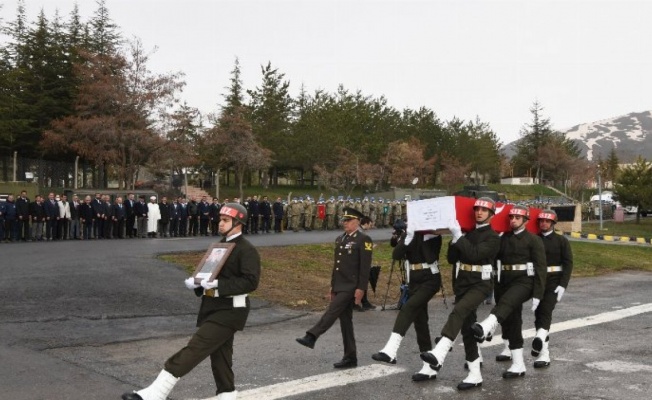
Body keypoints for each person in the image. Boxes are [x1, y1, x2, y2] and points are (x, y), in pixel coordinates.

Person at [121, 203, 260, 400]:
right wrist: (198, 284)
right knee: (220, 357)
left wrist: (216, 285)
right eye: (220, 219)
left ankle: (155, 394)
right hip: (213, 307)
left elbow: (250, 281)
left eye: (225, 220)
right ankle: (227, 394)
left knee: (195, 347)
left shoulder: (246, 249)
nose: (220, 223)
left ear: (238, 224)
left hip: (230, 311)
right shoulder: (221, 245)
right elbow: (209, 274)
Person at [420, 197, 500, 390]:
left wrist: (459, 237)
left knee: (459, 311)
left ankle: (440, 350)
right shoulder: (467, 234)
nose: (479, 213)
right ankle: (474, 374)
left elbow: (474, 255)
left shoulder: (493, 237)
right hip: (463, 282)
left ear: (491, 214)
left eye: (484, 210)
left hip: (481, 283)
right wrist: (455, 238)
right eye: (477, 209)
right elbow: (451, 259)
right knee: (467, 329)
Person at [471, 205, 546, 380]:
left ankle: (487, 325)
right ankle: (518, 364)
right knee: (512, 322)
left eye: (517, 218)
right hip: (504, 281)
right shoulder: (502, 238)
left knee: (507, 304)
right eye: (511, 217)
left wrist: (538, 294)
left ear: (525, 220)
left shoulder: (534, 240)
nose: (513, 220)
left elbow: (541, 268)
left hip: (525, 281)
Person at [295, 207, 373, 369]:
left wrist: (361, 289)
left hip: (351, 286)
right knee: (346, 322)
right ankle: (350, 357)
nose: (345, 223)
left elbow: (365, 268)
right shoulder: (340, 239)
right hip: (339, 284)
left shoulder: (363, 240)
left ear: (357, 222)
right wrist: (332, 286)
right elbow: (337, 266)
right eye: (344, 221)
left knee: (332, 310)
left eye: (349, 221)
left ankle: (312, 336)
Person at [372, 219, 443, 382]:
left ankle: (391, 350)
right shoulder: (408, 234)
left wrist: (423, 236)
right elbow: (396, 255)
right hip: (414, 281)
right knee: (421, 323)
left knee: (408, 308)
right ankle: (429, 367)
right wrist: (408, 237)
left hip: (429, 278)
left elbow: (430, 257)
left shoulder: (433, 234)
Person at [531, 209, 573, 368]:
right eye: (541, 221)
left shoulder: (561, 241)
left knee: (546, 310)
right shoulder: (534, 240)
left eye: (547, 221)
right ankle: (543, 353)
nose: (543, 223)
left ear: (553, 223)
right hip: (538, 281)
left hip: (554, 281)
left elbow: (568, 263)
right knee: (539, 314)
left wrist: (563, 284)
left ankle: (541, 340)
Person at [355, 216, 377, 311]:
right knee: (360, 282)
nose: (371, 227)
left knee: (364, 282)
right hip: (358, 262)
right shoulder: (359, 232)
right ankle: (357, 303)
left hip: (362, 261)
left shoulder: (360, 232)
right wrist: (371, 247)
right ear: (366, 223)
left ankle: (364, 302)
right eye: (370, 225)